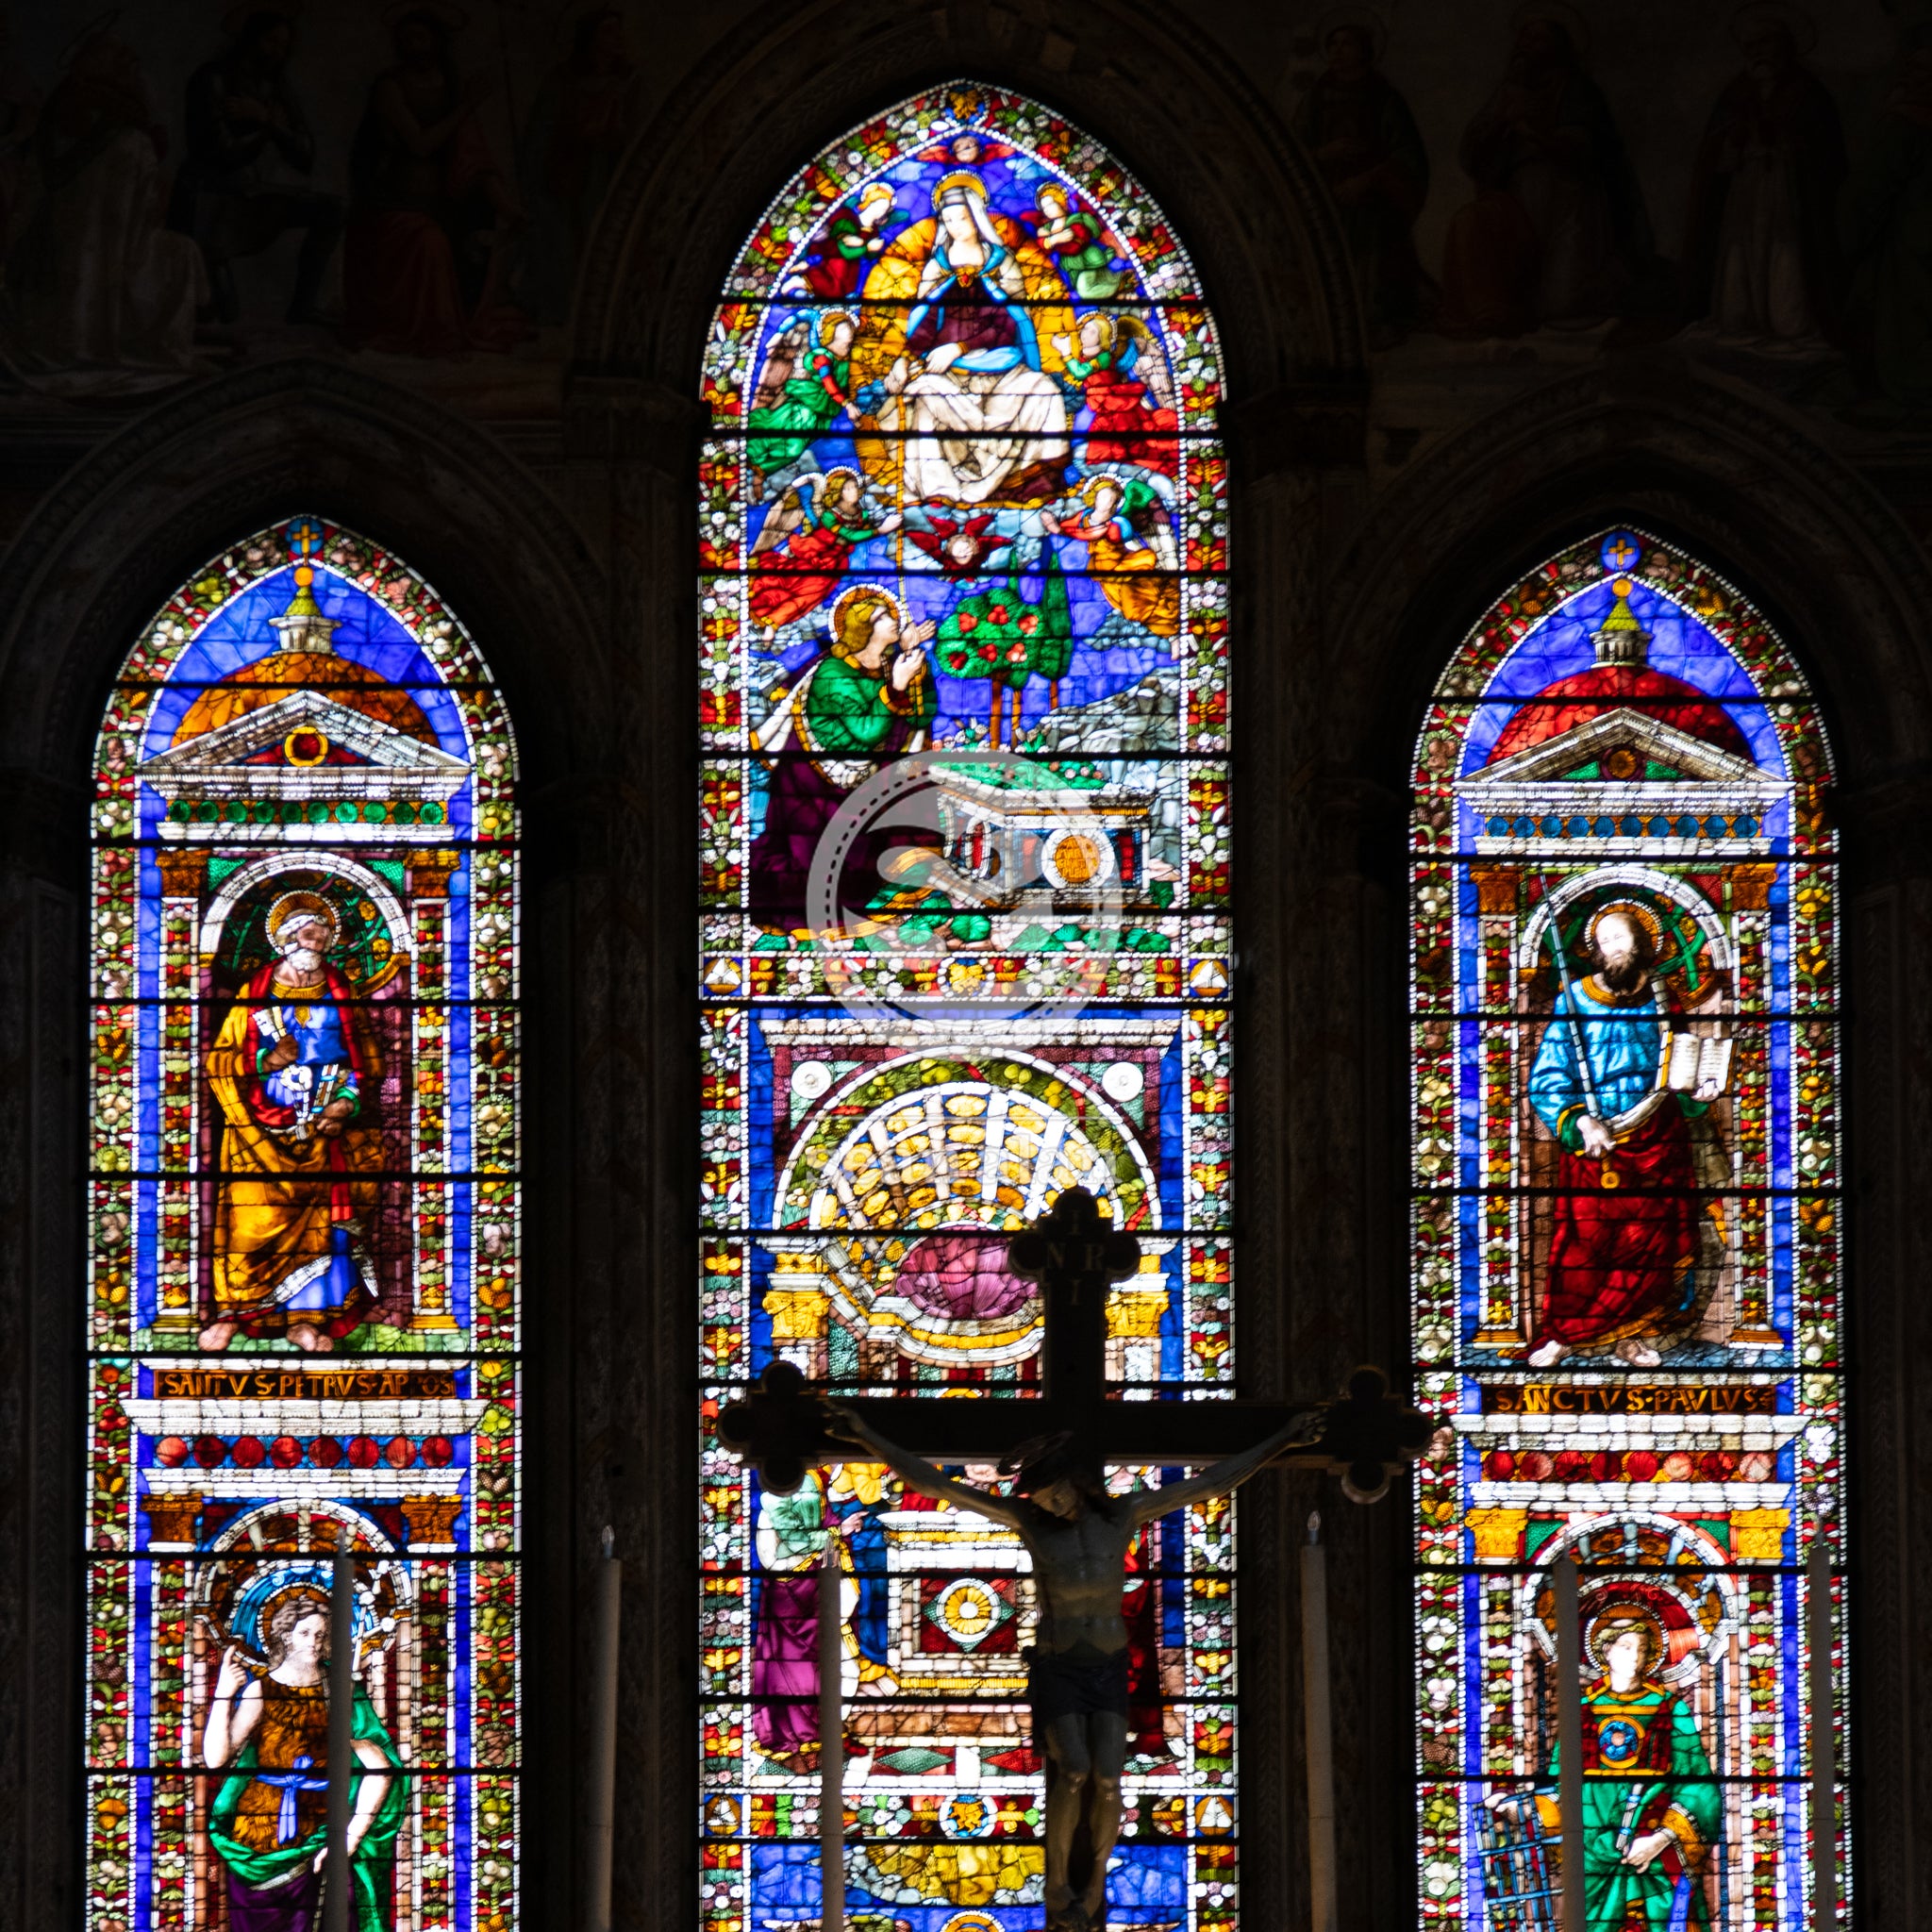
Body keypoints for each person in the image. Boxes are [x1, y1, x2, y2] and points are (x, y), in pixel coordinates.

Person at [828, 1407, 1322, 1932]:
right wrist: (868, 1438)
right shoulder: (1031, 1525)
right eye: (1041, 1500)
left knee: (1109, 1778)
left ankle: (1091, 1886)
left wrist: (1282, 1441)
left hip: (1107, 1668)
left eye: (1055, 1497)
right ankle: (1056, 1881)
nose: (1050, 1507)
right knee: (1075, 1770)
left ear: (1075, 1484)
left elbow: (1211, 1482)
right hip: (1059, 1667)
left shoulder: (1122, 1517)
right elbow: (937, 1484)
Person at [1525, 905, 1724, 1369]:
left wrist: (1700, 1088)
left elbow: (1681, 1063)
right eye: (1605, 941)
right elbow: (1550, 1074)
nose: (1614, 948)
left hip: (1657, 1131)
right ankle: (1565, 1334)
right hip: (1597, 1143)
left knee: (1649, 1244)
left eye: (1624, 938)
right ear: (1595, 952)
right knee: (1584, 1245)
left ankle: (1630, 1338)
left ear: (1642, 945)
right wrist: (1578, 1120)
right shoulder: (1573, 999)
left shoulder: (1661, 997)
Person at [199, 893, 385, 1352]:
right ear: (285, 940)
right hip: (258, 1127)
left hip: (324, 1123)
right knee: (248, 1218)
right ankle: (235, 1313)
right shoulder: (256, 991)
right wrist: (267, 1058)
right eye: (307, 933)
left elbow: (367, 1062)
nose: (316, 941)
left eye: (323, 934)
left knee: (321, 1226)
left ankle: (304, 1321)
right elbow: (221, 1059)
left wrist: (344, 1105)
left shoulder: (341, 990)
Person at [1491, 1601, 1719, 1929]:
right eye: (1626, 1647)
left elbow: (1698, 1785)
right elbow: (1561, 1791)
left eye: (1643, 1649)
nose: (1635, 1656)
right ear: (1606, 1652)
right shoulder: (1582, 1713)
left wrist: (1662, 1837)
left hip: (1653, 1858)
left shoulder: (1671, 1710)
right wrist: (1524, 1808)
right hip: (1592, 1853)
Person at [4, 21, 206, 374]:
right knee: (181, 254)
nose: (127, 66)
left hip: (70, 249)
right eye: (116, 58)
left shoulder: (62, 115)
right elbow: (144, 213)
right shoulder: (125, 135)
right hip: (100, 255)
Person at [1438, 8, 1652, 336]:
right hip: (1515, 199)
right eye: (1524, 36)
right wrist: (1498, 124)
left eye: (1538, 37)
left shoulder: (1576, 89)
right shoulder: (1506, 92)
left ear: (1559, 47)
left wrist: (1528, 129)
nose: (1527, 44)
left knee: (1560, 304)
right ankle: (1491, 313)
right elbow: (1473, 154)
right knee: (1472, 224)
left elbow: (1581, 149)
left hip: (1569, 199)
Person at [868, 171, 1074, 507]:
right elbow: (922, 327)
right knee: (921, 399)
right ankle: (940, 492)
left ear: (976, 217)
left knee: (1045, 391)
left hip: (1001, 366)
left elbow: (1010, 323)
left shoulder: (1001, 263)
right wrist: (906, 361)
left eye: (960, 218)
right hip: (947, 371)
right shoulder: (936, 268)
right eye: (947, 220)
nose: (954, 226)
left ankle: (1026, 485)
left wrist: (959, 347)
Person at [204, 1590, 404, 1932]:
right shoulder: (261, 1690)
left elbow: (380, 1768)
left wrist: (350, 1838)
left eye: (321, 1635)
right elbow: (216, 1759)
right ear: (284, 1634)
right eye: (305, 1632)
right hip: (254, 1832)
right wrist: (224, 1691)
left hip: (318, 1831)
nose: (314, 1642)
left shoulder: (341, 1691)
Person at [341, 5, 526, 356]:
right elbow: (420, 144)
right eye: (407, 39)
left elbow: (471, 155)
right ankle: (436, 333)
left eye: (421, 37)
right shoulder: (390, 88)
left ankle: (505, 207)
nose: (414, 45)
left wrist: (501, 204)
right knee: (431, 243)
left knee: (470, 229)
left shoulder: (449, 87)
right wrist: (467, 106)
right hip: (389, 205)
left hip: (437, 203)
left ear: (437, 42)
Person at [747, 586, 937, 916]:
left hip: (862, 782)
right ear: (862, 629)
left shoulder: (886, 666)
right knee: (818, 868)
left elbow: (920, 716)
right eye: (881, 617)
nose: (893, 620)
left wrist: (912, 667)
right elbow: (866, 733)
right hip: (814, 787)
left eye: (890, 614)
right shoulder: (832, 674)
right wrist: (897, 686)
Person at [168, 4, 342, 327]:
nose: (278, 51)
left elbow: (305, 154)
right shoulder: (213, 79)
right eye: (271, 41)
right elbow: (222, 153)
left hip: (248, 196)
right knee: (222, 316)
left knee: (332, 210)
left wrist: (265, 120)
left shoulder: (275, 87)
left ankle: (301, 310)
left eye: (284, 45)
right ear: (250, 39)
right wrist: (267, 125)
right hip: (208, 202)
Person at [1680, 4, 1843, 349]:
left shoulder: (1807, 92)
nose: (1757, 53)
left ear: (1786, 45)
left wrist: (1785, 145)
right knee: (1740, 248)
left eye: (1766, 43)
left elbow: (1824, 152)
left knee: (1784, 253)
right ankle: (1739, 319)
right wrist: (1733, 143)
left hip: (1789, 192)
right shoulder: (1737, 92)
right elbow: (1716, 150)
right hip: (1745, 187)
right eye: (1751, 46)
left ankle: (1788, 324)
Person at [1291, 15, 1432, 346]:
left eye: (1347, 44)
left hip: (1375, 198)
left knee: (1376, 253)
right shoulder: (1316, 98)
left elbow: (1406, 153)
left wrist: (1370, 179)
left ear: (1364, 50)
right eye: (1334, 44)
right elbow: (1292, 151)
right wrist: (1326, 154)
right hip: (1326, 194)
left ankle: (1376, 321)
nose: (1338, 51)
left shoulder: (1384, 98)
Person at [517, 5, 641, 325]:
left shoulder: (628, 82)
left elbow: (636, 136)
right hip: (565, 177)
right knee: (562, 247)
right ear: (590, 38)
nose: (616, 39)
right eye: (607, 31)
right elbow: (541, 136)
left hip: (604, 177)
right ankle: (558, 315)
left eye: (618, 31)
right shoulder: (562, 82)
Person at [747, 467, 900, 633]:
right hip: (814, 554)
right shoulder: (829, 516)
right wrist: (881, 530)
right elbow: (849, 535)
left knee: (812, 593)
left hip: (834, 563)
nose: (854, 491)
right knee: (784, 581)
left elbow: (862, 530)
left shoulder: (861, 515)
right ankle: (760, 609)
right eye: (848, 488)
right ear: (838, 492)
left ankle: (774, 621)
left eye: (855, 487)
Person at [1050, 311, 1179, 475]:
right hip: (1104, 410)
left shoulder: (1104, 357)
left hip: (1119, 411)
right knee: (1104, 450)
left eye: (1093, 331)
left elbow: (1081, 373)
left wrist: (1065, 352)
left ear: (1103, 337)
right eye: (1085, 328)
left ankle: (1135, 473)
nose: (1086, 334)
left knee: (1126, 448)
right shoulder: (1084, 356)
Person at [746, 309, 858, 481]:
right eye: (845, 344)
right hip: (806, 406)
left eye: (850, 344)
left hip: (822, 414)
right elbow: (829, 384)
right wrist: (847, 405)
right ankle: (757, 467)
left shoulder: (845, 360)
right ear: (830, 340)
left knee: (795, 446)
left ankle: (759, 469)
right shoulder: (822, 359)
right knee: (791, 445)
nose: (848, 348)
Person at [799, 180, 903, 300]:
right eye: (877, 205)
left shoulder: (873, 231)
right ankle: (800, 283)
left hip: (851, 268)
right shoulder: (846, 216)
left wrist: (874, 250)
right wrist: (866, 246)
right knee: (834, 288)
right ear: (868, 202)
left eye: (884, 209)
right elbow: (841, 247)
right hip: (831, 259)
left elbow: (870, 256)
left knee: (844, 290)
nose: (879, 211)